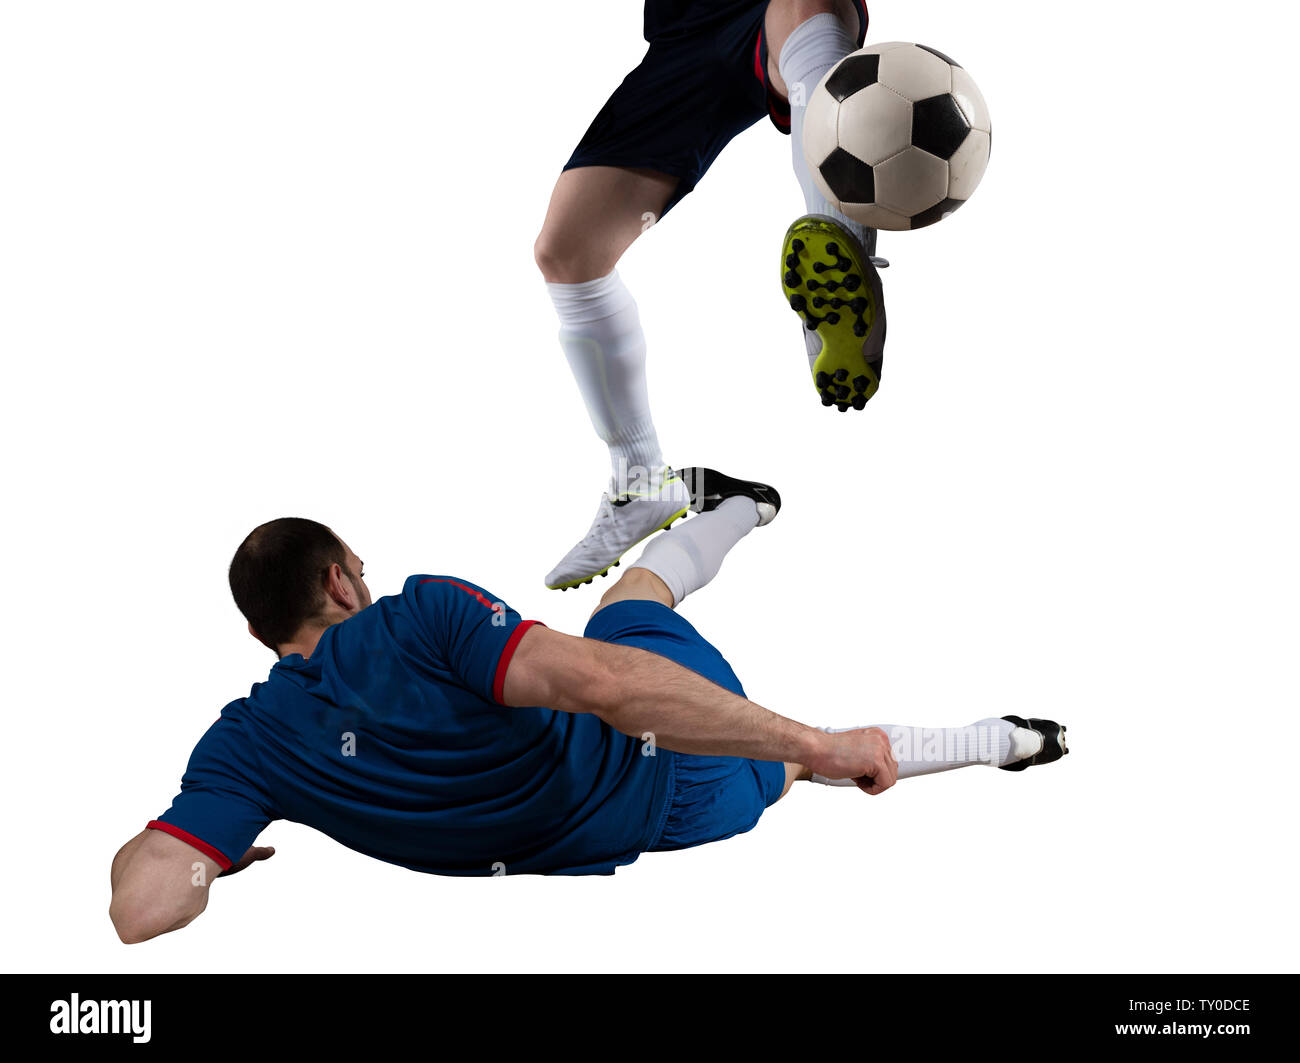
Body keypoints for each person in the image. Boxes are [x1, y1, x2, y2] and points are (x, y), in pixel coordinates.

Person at [108, 469, 1066, 943]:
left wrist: (208, 860)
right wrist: (819, 736)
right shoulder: (417, 616)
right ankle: (737, 506)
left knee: (799, 769)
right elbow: (606, 686)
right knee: (626, 612)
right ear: (340, 578)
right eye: (359, 566)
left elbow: (142, 910)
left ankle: (1008, 740)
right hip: (666, 746)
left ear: (258, 634)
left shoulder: (244, 752)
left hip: (676, 818)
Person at [538, 0, 889, 590]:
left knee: (802, 14)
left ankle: (842, 262)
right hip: (684, 32)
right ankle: (641, 481)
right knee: (569, 252)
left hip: (768, 10)